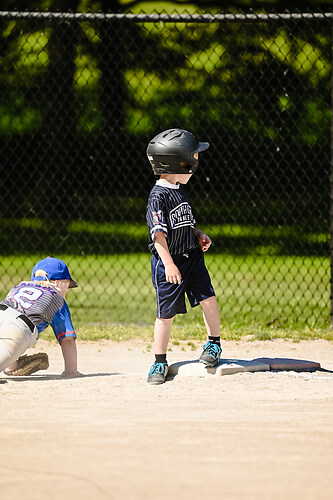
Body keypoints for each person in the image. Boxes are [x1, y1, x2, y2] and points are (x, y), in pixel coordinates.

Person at [146, 128, 221, 385]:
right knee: (165, 315)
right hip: (171, 264)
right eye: (193, 157)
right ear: (179, 162)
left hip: (192, 258)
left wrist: (197, 233)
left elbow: (183, 224)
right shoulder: (158, 197)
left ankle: (213, 345)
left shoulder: (179, 189)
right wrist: (168, 264)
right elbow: (159, 236)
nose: (196, 161)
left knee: (208, 299)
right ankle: (159, 362)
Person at [0, 256, 82, 378]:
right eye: (67, 285)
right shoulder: (56, 298)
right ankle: (8, 363)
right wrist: (71, 371)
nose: (66, 291)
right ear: (57, 283)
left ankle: (12, 365)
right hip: (20, 328)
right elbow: (67, 339)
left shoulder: (20, 287)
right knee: (14, 339)